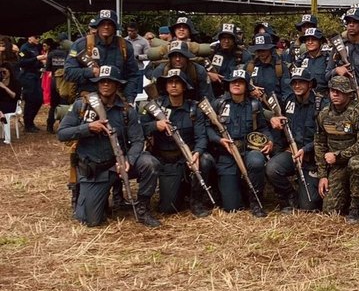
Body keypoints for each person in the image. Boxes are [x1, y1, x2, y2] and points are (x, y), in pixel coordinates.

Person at [57, 66, 155, 227]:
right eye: (102, 81)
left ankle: (143, 208)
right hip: (95, 169)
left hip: (118, 164)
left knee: (149, 163)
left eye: (110, 82)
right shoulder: (82, 105)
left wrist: (128, 159)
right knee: (90, 220)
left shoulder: (126, 110)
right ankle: (93, 197)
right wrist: (87, 128)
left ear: (117, 85)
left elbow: (138, 140)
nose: (106, 85)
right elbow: (62, 134)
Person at [141, 69, 212, 218]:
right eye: (170, 82)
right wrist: (155, 126)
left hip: (187, 158)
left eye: (177, 82)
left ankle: (196, 200)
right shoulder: (155, 107)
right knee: (169, 208)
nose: (173, 85)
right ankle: (180, 189)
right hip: (166, 160)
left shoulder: (194, 108)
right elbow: (137, 129)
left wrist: (197, 153)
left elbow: (201, 136)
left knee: (206, 160)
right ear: (165, 86)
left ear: (184, 86)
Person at [207, 68, 274, 216]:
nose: (236, 84)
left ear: (246, 86)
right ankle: (238, 191)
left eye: (240, 82)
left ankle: (255, 201)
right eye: (233, 82)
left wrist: (269, 141)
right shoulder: (219, 104)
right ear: (228, 84)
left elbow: (263, 128)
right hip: (227, 153)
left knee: (256, 162)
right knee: (232, 207)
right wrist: (219, 140)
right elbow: (208, 128)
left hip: (249, 149)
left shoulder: (254, 105)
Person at [266, 67, 327, 212]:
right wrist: (272, 119)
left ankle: (303, 191)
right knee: (272, 168)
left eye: (301, 82)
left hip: (313, 158)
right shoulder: (288, 101)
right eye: (294, 83)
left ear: (310, 84)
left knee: (308, 206)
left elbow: (325, 137)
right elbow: (278, 123)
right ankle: (289, 195)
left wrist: (306, 149)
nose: (297, 86)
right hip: (292, 153)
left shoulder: (322, 105)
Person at [315, 75, 359, 224]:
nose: (335, 94)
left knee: (356, 163)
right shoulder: (324, 114)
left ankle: (356, 207)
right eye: (332, 91)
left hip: (358, 160)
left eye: (339, 91)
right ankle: (347, 195)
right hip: (336, 164)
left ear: (349, 93)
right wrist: (322, 175)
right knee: (330, 211)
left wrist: (339, 155)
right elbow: (320, 144)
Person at [64, 10, 141, 104]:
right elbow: (68, 73)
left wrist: (129, 99)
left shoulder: (125, 46)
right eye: (102, 23)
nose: (106, 27)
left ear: (115, 27)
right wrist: (91, 72)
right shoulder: (81, 45)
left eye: (110, 24)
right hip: (88, 98)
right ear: (97, 26)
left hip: (116, 99)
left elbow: (133, 75)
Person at [149, 41, 214, 102]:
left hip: (193, 104)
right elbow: (154, 97)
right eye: (174, 56)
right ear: (170, 58)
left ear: (187, 57)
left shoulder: (198, 70)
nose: (178, 59)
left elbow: (207, 96)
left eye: (181, 55)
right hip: (167, 105)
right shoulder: (160, 71)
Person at [207, 23, 253, 98]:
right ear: (219, 39)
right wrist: (208, 74)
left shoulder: (244, 55)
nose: (226, 41)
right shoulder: (211, 50)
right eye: (223, 38)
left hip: (234, 93)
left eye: (230, 38)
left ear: (234, 39)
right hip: (212, 91)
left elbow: (248, 77)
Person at [18, 35, 46, 132]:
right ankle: (28, 124)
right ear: (30, 38)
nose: (38, 39)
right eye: (36, 37)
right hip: (27, 76)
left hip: (36, 75)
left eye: (39, 37)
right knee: (30, 100)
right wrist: (36, 58)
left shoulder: (36, 47)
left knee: (39, 99)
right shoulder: (24, 48)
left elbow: (36, 61)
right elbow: (21, 62)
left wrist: (42, 63)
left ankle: (31, 121)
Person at [293, 28, 330, 95]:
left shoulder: (328, 58)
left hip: (324, 98)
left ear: (320, 41)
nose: (310, 42)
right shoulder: (301, 59)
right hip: (305, 98)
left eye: (313, 39)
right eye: (307, 40)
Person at [249, 32, 285, 100]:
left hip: (276, 106)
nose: (261, 53)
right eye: (258, 51)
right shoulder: (250, 66)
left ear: (270, 49)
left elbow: (286, 92)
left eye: (264, 50)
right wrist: (251, 89)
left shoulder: (280, 67)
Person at [45, 37, 68, 133]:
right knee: (64, 104)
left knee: (53, 104)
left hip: (54, 80)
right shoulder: (67, 53)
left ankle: (49, 126)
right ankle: (63, 126)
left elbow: (48, 68)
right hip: (65, 81)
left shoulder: (51, 54)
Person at [0, 62, 21, 143]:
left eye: (4, 72)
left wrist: (4, 87)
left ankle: (1, 114)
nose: (3, 74)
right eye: (1, 72)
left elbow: (15, 96)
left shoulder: (16, 82)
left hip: (11, 105)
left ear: (9, 71)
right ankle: (1, 114)